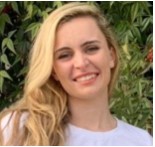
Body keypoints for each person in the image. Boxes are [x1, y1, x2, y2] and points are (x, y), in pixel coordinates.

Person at [0, 2, 152, 146]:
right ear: (53, 70)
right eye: (64, 55)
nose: (81, 63)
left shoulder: (142, 141)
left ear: (111, 56)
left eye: (91, 48)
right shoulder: (20, 129)